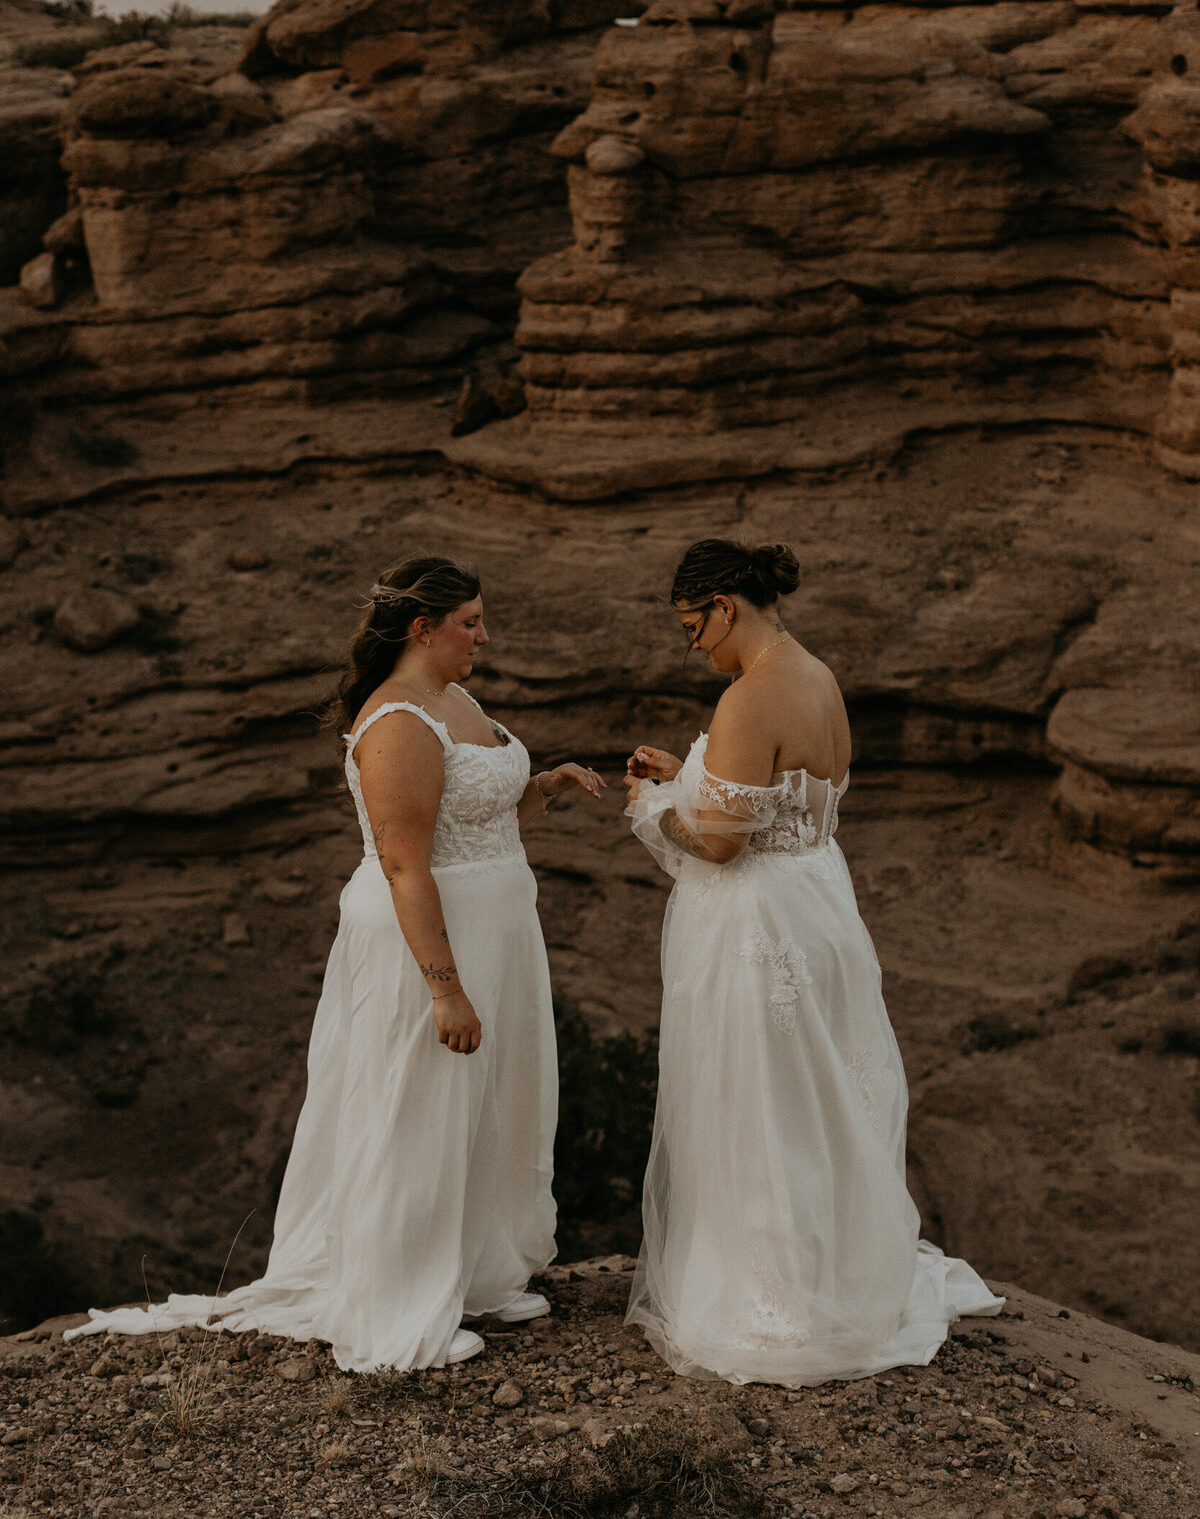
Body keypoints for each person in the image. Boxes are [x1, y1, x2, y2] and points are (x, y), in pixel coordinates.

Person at [67, 555, 605, 1372]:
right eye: (471, 622)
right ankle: (396, 1300)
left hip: (500, 930)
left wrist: (547, 788)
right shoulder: (396, 723)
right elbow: (405, 865)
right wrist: (445, 991)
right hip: (428, 943)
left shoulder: (456, 698)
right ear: (424, 628)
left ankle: (473, 1274)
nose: (484, 637)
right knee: (418, 1105)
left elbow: (477, 818)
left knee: (488, 1101)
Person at [623, 537, 1001, 1386]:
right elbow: (779, 796)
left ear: (724, 605)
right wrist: (690, 773)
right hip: (819, 904)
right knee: (819, 1094)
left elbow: (721, 843)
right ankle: (836, 1272)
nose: (694, 646)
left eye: (694, 626)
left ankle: (779, 1301)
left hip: (758, 921)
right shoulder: (816, 675)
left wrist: (655, 808)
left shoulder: (749, 696)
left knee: (760, 1099)